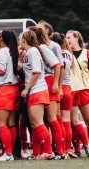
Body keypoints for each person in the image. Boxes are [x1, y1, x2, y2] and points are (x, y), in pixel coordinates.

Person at [66, 30, 89, 157]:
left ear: (76, 37)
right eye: (66, 38)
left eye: (69, 37)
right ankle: (77, 150)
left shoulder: (87, 53)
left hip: (84, 90)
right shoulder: (66, 53)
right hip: (71, 90)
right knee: (73, 121)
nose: (67, 40)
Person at [28, 26, 64, 159]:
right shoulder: (34, 49)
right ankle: (38, 152)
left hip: (48, 82)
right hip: (42, 82)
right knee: (39, 121)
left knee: (52, 118)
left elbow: (58, 65)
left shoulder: (43, 48)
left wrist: (56, 85)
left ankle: (60, 151)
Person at [20, 30, 53, 160]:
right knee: (34, 124)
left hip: (37, 90)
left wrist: (26, 89)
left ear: (24, 40)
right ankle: (39, 152)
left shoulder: (32, 51)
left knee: (38, 122)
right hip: (36, 90)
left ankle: (48, 151)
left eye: (20, 39)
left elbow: (36, 72)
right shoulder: (31, 52)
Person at [0, 30, 20, 161]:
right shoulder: (11, 51)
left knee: (0, 123)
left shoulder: (3, 51)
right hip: (14, 89)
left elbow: (1, 71)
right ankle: (8, 153)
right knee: (11, 123)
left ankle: (7, 153)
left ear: (2, 39)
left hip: (4, 89)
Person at [51, 32, 78, 158]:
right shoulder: (69, 54)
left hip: (59, 87)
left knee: (57, 120)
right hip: (68, 88)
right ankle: (68, 149)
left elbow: (58, 68)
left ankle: (60, 149)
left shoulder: (55, 53)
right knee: (66, 121)